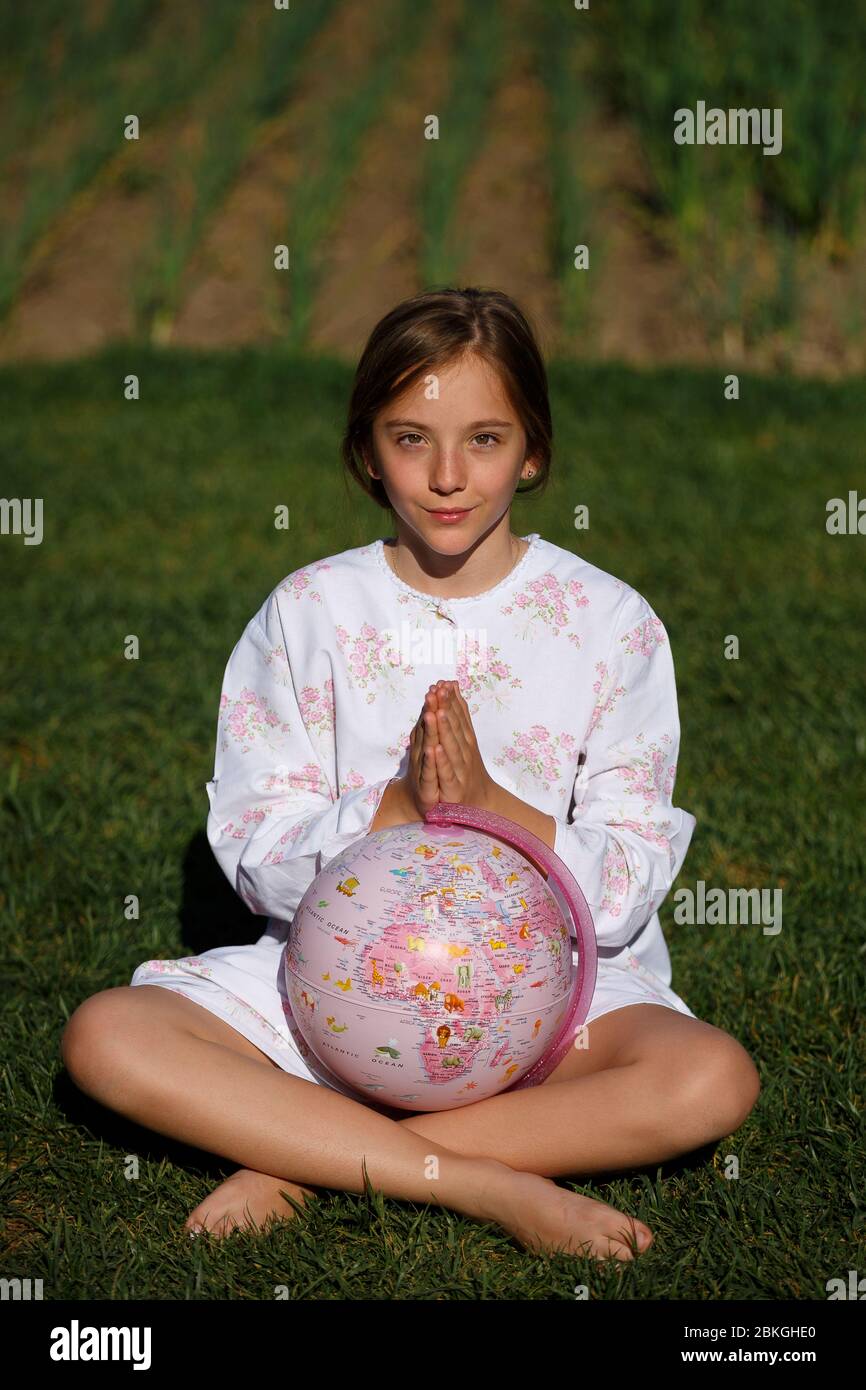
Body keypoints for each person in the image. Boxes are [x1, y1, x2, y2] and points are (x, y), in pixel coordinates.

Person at [61, 287, 760, 1263]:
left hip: (551, 987)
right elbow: (256, 854)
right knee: (106, 1037)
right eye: (408, 437)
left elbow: (629, 880)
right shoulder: (308, 611)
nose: (444, 476)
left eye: (482, 439)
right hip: (329, 982)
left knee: (709, 1078)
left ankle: (306, 1152)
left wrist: (488, 807)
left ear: (533, 450)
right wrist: (397, 803)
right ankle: (486, 1183)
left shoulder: (610, 624)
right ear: (364, 450)